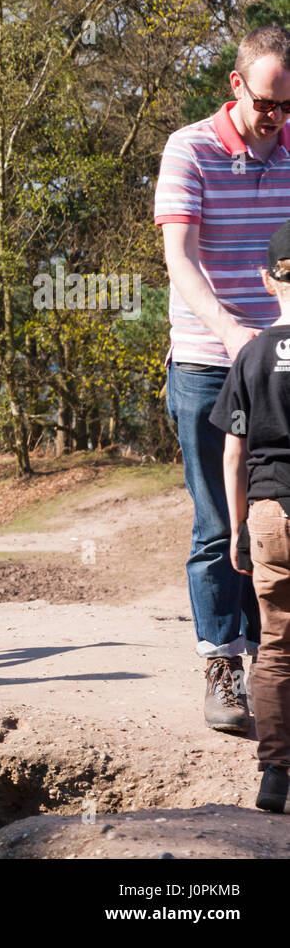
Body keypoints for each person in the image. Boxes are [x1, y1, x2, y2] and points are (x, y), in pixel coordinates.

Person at [156, 26, 290, 732]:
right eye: (268, 102)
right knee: (219, 520)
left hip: (282, 362)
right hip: (208, 361)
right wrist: (233, 332)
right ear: (237, 86)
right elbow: (180, 258)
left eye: (287, 106)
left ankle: (274, 666)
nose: (276, 118)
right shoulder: (191, 149)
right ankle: (221, 668)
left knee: (278, 515)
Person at [211, 219, 290, 812]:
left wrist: (238, 526)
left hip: (270, 513)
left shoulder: (251, 355)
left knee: (276, 646)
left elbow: (233, 452)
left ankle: (275, 778)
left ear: (268, 279)